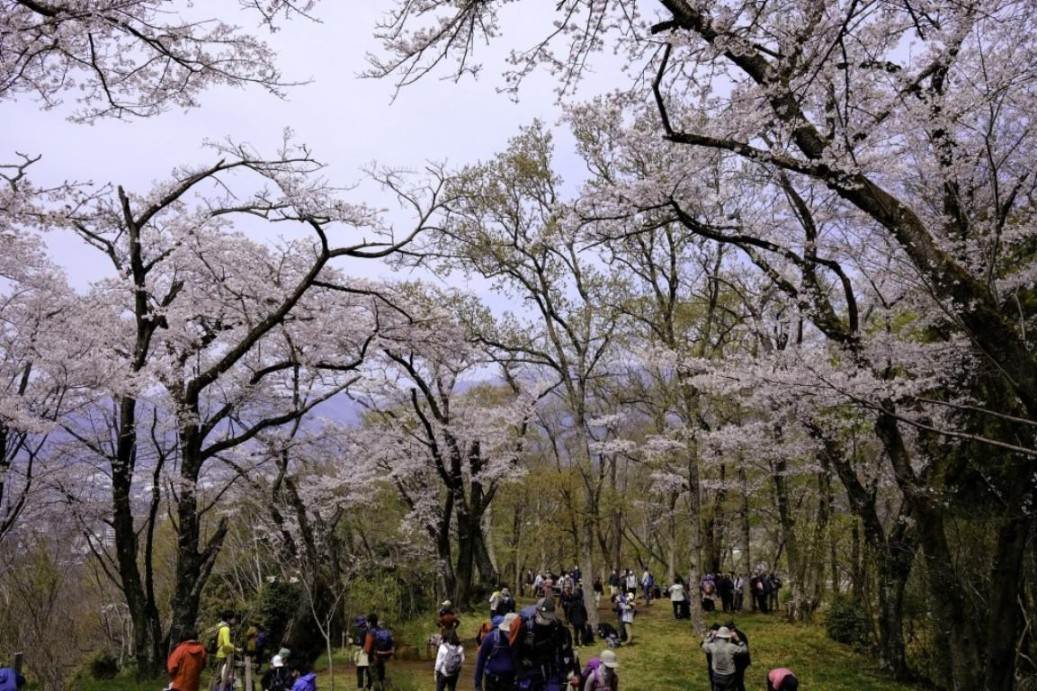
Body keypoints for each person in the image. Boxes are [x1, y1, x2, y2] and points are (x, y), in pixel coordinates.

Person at [515, 598, 579, 691]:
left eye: (549, 617)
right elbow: (516, 652)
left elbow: (566, 651)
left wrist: (569, 672)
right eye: (544, 616)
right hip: (530, 670)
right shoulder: (527, 628)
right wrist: (520, 673)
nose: (546, 620)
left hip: (550, 670)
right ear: (537, 612)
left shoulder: (557, 628)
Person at [475, 612, 518, 691]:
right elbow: (481, 661)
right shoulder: (490, 638)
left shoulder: (520, 639)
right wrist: (478, 685)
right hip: (493, 682)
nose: (509, 634)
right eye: (507, 632)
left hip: (511, 682)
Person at [702, 626, 747, 691]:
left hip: (716, 674)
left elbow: (704, 645)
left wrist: (710, 637)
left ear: (718, 636)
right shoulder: (731, 647)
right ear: (728, 637)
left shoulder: (712, 646)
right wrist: (737, 639)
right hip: (729, 675)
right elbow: (744, 650)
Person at [363, 614, 395, 691]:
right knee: (381, 677)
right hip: (384, 658)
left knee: (375, 679)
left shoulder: (371, 632)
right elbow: (392, 643)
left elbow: (367, 649)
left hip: (374, 658)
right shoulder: (385, 631)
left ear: (369, 622)